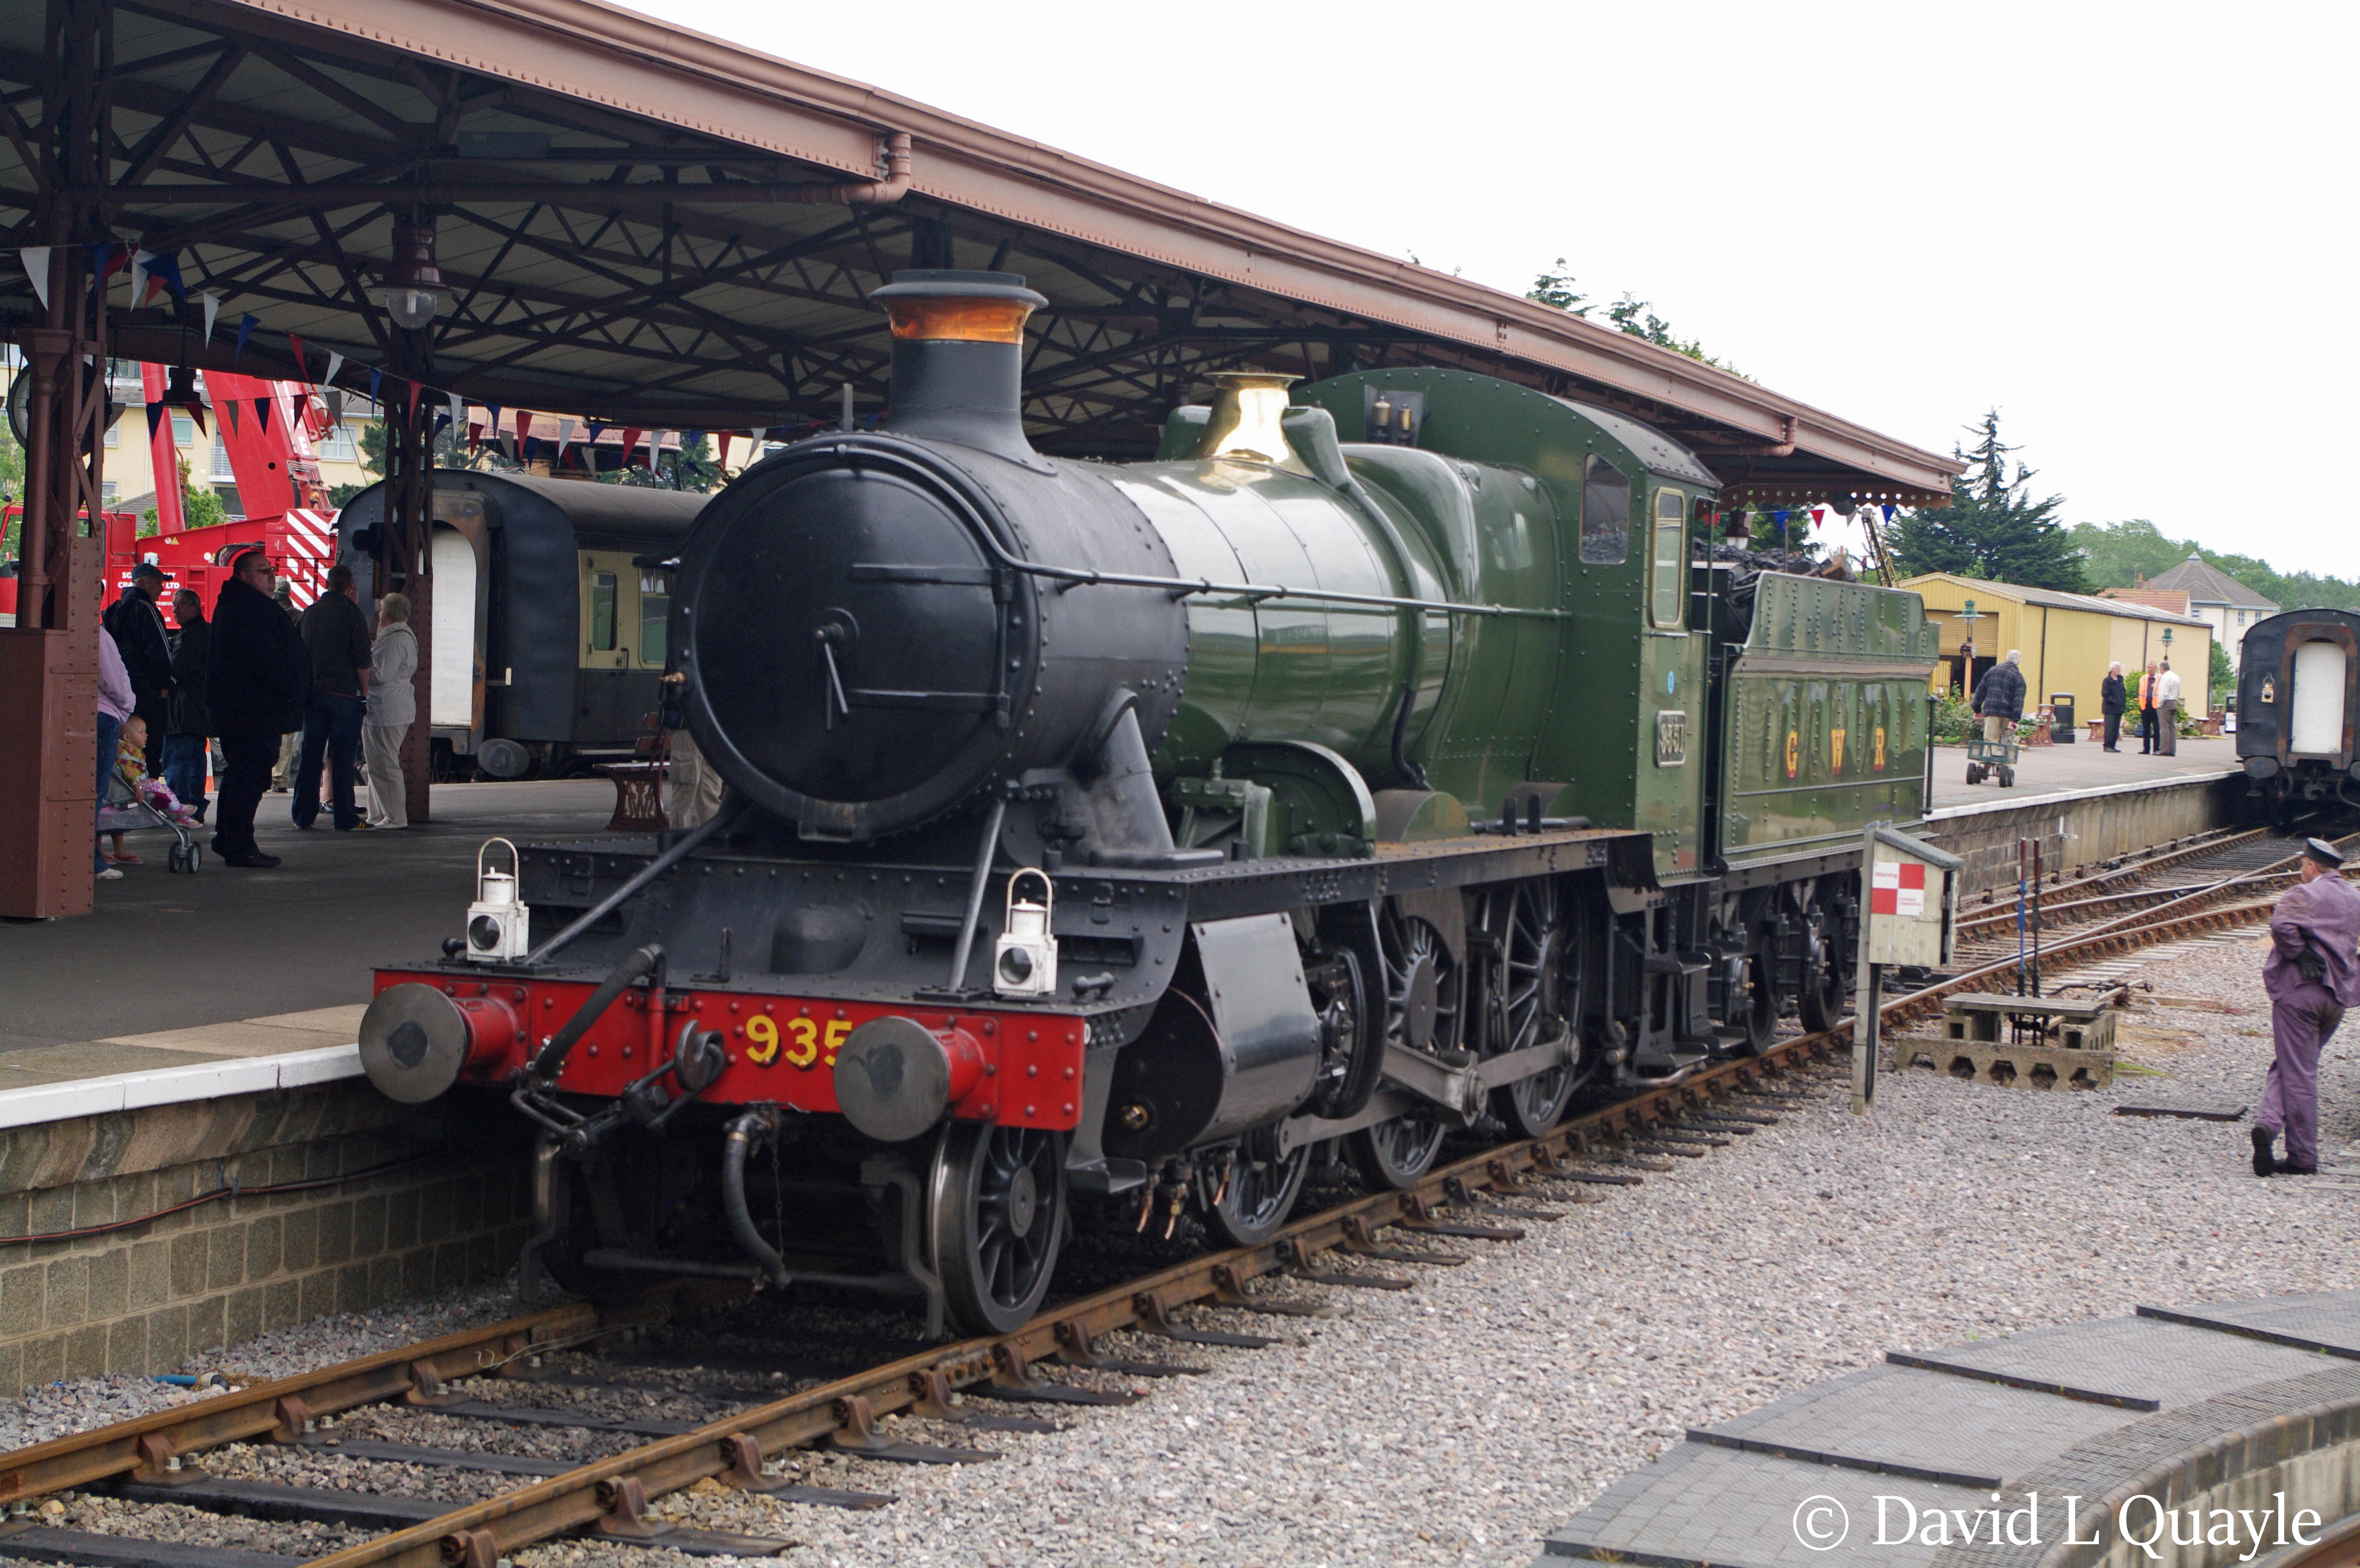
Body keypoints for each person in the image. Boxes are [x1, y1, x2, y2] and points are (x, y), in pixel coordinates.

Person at [2251, 839, 2360, 1178]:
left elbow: (2281, 926)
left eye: (2303, 865)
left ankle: (2302, 1157)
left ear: (2312, 866)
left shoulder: (2303, 894)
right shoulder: (2354, 897)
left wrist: (2299, 953)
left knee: (2298, 1072)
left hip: (2300, 993)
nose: (2302, 871)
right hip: (2338, 998)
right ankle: (2268, 1124)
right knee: (2294, 1063)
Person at [206, 547, 309, 868]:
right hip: (252, 712)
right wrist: (290, 687)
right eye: (263, 571)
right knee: (248, 777)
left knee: (241, 776)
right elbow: (265, 661)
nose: (271, 576)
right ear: (244, 576)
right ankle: (239, 844)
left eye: (271, 570)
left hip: (249, 711)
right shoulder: (248, 610)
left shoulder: (241, 606)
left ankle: (230, 839)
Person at [294, 564, 372, 831]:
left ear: (328, 584)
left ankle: (303, 816)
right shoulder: (353, 615)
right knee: (342, 758)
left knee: (311, 755)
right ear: (350, 587)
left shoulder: (310, 614)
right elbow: (362, 659)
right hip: (343, 696)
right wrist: (364, 690)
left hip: (313, 696)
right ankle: (345, 818)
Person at [104, 560, 175, 779]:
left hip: (120, 691)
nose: (162, 588)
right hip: (148, 691)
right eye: (158, 583)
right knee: (150, 746)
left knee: (124, 746)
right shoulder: (147, 610)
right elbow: (161, 651)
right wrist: (166, 683)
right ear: (143, 584)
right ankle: (149, 789)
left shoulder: (112, 610)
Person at [363, 592, 417, 829]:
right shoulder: (399, 637)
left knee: (385, 764)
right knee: (377, 765)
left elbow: (380, 676)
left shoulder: (395, 640)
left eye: (382, 610)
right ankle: (378, 814)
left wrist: (361, 670)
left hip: (388, 709)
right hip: (386, 709)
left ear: (388, 614)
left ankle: (395, 817)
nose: (379, 614)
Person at [163, 587, 213, 823]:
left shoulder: (192, 637)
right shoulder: (205, 633)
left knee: (177, 758)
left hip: (183, 709)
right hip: (199, 709)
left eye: (181, 604)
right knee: (194, 757)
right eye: (174, 605)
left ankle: (179, 806)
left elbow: (178, 668)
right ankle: (194, 805)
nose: (176, 609)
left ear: (196, 607)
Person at [94, 620, 134, 881]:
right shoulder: (99, 636)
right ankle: (95, 864)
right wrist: (129, 704)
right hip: (104, 714)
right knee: (96, 791)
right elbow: (115, 679)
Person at [659, 670, 724, 828]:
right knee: (701, 789)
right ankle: (707, 838)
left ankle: (682, 839)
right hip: (702, 723)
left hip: (692, 723)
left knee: (692, 788)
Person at [271, 579, 300, 792]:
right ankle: (280, 780)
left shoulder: (264, 614)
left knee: (266, 728)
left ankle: (264, 774)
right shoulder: (299, 616)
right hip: (290, 681)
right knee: (287, 734)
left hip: (266, 679)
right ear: (288, 594)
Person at [1971, 649, 2026, 745]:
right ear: (2019, 662)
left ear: (2006, 658)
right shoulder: (2018, 677)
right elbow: (2019, 700)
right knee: (2008, 742)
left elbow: (1980, 692)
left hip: (1991, 712)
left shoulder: (1992, 671)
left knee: (1990, 741)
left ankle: (1989, 759)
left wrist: (1977, 710)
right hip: (2008, 715)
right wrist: (2015, 720)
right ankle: (2007, 759)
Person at [2155, 659, 2181, 756]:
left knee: (2164, 728)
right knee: (2172, 727)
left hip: (2166, 704)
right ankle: (2172, 749)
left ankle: (2164, 749)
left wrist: (2160, 704)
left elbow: (2163, 693)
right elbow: (2178, 692)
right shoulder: (2176, 677)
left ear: (2162, 669)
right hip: (2174, 702)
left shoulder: (2165, 678)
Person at [2100, 662, 2127, 752]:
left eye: (2120, 668)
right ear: (2112, 669)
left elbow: (2123, 693)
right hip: (2110, 709)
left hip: (2119, 709)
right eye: (2117, 668)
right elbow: (2105, 694)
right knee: (2110, 728)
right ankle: (2107, 746)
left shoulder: (2120, 680)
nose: (2119, 670)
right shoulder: (2107, 681)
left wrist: (2122, 702)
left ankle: (2113, 746)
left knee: (2116, 729)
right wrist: (2114, 702)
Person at [2137, 661, 2160, 754]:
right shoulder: (2143, 678)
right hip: (2145, 707)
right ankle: (2146, 749)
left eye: (2152, 668)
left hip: (2156, 707)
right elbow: (2139, 691)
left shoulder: (2160, 679)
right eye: (2149, 668)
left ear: (2156, 669)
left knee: (2157, 729)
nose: (2150, 669)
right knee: (2146, 729)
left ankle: (2156, 749)